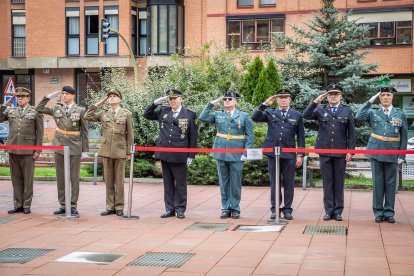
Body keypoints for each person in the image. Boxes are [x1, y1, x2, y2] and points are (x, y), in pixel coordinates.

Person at [303, 84, 356, 221]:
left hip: (340, 151)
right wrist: (315, 102)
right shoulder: (320, 109)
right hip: (325, 151)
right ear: (326, 96)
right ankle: (328, 210)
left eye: (336, 94)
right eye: (330, 94)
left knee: (339, 182)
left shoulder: (347, 111)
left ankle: (338, 211)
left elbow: (351, 133)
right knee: (327, 182)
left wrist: (350, 151)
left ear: (340, 96)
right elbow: (306, 115)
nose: (333, 96)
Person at [355, 86, 407, 223]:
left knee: (390, 183)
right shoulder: (373, 112)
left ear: (392, 97)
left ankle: (389, 212)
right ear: (379, 97)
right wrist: (370, 101)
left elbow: (404, 136)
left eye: (388, 95)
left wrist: (402, 155)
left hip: (392, 151)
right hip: (376, 151)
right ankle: (378, 212)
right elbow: (358, 116)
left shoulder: (400, 114)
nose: (385, 97)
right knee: (378, 183)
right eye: (383, 95)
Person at [143, 88, 198, 219]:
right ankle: (169, 208)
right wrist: (155, 103)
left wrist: (191, 155)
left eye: (175, 98)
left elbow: (193, 136)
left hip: (180, 154)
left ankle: (180, 208)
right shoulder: (163, 111)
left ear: (181, 99)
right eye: (170, 99)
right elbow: (147, 114)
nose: (172, 101)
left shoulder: (189, 114)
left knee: (180, 183)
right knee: (167, 183)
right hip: (164, 153)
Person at [252, 88, 305, 220]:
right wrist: (265, 104)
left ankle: (287, 209)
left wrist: (300, 155)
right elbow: (255, 117)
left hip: (289, 153)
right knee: (274, 182)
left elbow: (301, 137)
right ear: (276, 100)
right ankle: (275, 208)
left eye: (285, 97)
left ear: (290, 99)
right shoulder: (270, 112)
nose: (283, 99)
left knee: (289, 183)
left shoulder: (297, 115)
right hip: (272, 153)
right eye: (280, 97)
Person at [199, 92, 254, 219]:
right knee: (223, 182)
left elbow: (250, 135)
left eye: (230, 99)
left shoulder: (244, 116)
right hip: (221, 152)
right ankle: (225, 208)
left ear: (235, 101)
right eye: (225, 99)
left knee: (235, 182)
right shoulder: (218, 114)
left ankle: (235, 208)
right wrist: (212, 103)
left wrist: (247, 151)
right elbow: (202, 117)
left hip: (237, 153)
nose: (227, 101)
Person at [36, 86, 89, 216]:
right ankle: (63, 204)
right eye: (62, 94)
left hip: (74, 146)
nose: (63, 96)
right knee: (61, 177)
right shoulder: (56, 108)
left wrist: (85, 149)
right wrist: (48, 97)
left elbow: (84, 131)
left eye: (66, 94)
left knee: (74, 178)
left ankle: (73, 205)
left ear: (73, 96)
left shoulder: (80, 110)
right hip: (59, 145)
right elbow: (39, 109)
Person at [84, 89, 134, 217]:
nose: (111, 98)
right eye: (110, 96)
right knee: (108, 180)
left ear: (120, 99)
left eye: (114, 96)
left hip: (120, 150)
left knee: (119, 181)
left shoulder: (126, 114)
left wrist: (129, 151)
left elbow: (130, 134)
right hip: (106, 150)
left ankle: (119, 206)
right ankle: (109, 206)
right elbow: (87, 116)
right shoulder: (103, 113)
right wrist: (99, 103)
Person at [0, 87, 43, 214]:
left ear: (28, 98)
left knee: (27, 179)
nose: (19, 99)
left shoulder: (35, 111)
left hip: (28, 150)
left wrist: (38, 150)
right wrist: (4, 105)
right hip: (13, 148)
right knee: (16, 178)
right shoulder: (11, 110)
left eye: (22, 97)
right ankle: (17, 204)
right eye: (18, 97)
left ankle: (26, 205)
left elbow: (40, 132)